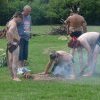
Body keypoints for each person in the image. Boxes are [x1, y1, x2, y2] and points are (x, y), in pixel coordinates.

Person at [6, 12, 23, 81]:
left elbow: (7, 32)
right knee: (14, 61)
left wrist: (10, 41)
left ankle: (12, 76)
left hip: (9, 44)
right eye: (21, 19)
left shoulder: (9, 22)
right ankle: (15, 77)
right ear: (18, 17)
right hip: (14, 44)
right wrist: (13, 41)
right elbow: (9, 32)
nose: (20, 21)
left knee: (10, 60)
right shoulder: (14, 23)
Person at [17, 5, 32, 74]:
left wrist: (30, 33)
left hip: (26, 37)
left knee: (25, 53)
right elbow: (14, 24)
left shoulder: (29, 17)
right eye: (28, 11)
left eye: (30, 11)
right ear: (24, 10)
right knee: (20, 53)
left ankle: (23, 67)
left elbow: (29, 25)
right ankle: (19, 68)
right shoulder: (20, 16)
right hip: (21, 37)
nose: (29, 12)